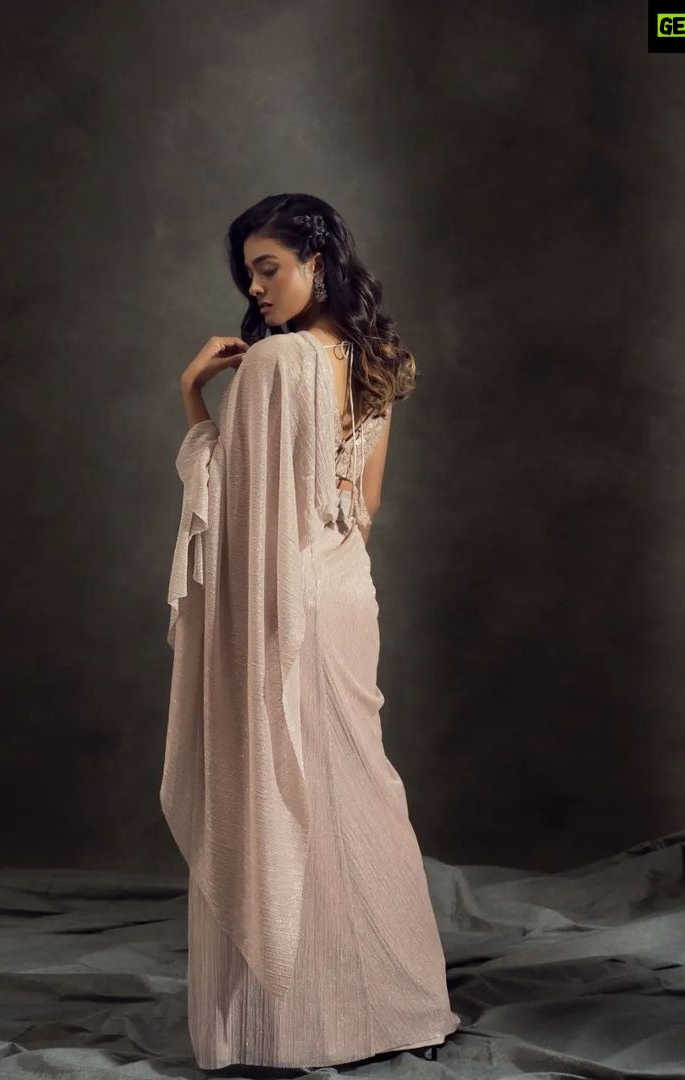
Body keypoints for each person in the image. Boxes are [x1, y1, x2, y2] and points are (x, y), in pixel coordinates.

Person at [161, 194, 462, 1069]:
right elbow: (365, 506)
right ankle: (391, 1001)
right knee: (352, 790)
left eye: (269, 269)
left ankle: (285, 1020)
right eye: (248, 275)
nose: (255, 290)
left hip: (285, 597)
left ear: (317, 263)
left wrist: (191, 396)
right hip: (346, 591)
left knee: (275, 785)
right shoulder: (377, 358)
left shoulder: (277, 361)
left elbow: (230, 504)